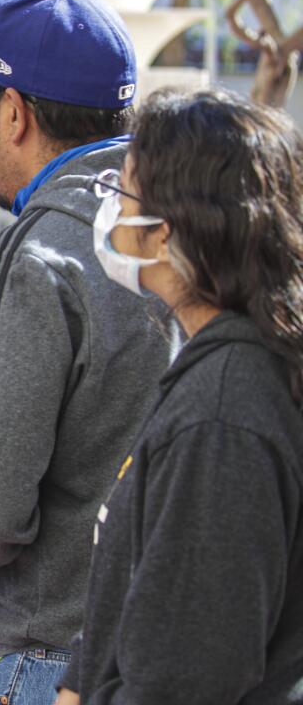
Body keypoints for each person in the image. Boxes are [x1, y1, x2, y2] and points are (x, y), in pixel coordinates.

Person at [0, 0, 179, 704]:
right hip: (198, 651)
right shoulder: (204, 239)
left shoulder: (36, 256)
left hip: (59, 661)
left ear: (16, 113)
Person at [54, 88, 303, 704]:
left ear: (166, 233)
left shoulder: (223, 412)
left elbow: (188, 672)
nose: (108, 205)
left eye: (124, 189)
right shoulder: (233, 369)